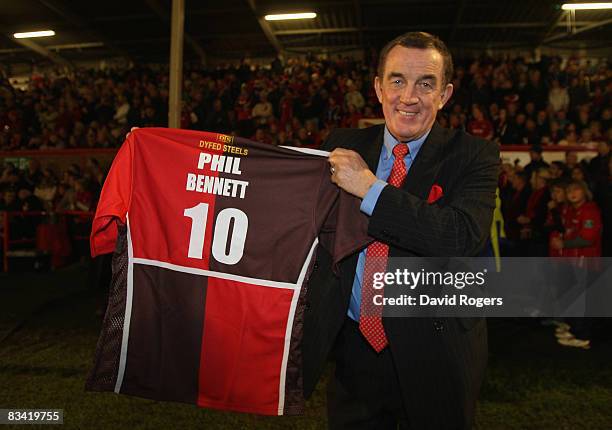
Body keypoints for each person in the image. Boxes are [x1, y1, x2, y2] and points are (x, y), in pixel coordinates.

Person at [303, 32, 499, 429]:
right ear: (378, 88)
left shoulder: (474, 155)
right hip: (354, 351)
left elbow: (458, 237)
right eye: (397, 80)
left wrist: (370, 187)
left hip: (437, 351)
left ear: (444, 94)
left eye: (425, 84)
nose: (408, 96)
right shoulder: (342, 145)